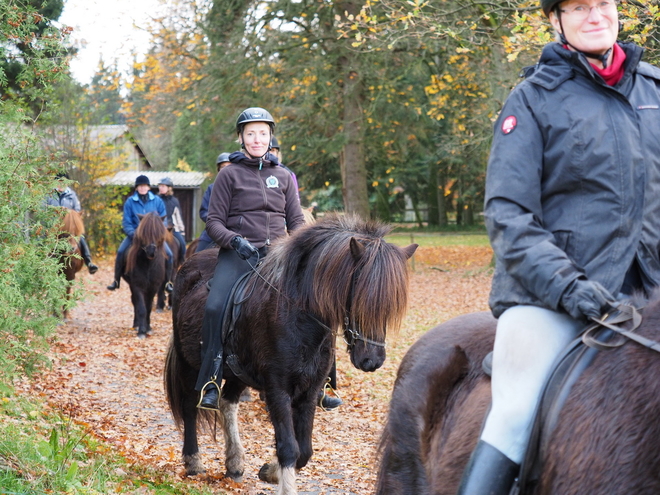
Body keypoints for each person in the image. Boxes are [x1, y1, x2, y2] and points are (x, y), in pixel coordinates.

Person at [457, 1, 660, 493]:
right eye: (579, 6)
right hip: (551, 297)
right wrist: (574, 290)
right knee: (515, 411)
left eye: (604, 4)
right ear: (556, 20)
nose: (596, 15)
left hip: (650, 292)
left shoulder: (655, 91)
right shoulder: (531, 100)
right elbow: (509, 216)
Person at [196, 107, 306, 410]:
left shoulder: (283, 176)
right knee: (216, 305)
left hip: (278, 256)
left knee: (316, 300)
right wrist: (234, 240)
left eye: (262, 133)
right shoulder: (229, 175)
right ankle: (211, 378)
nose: (257, 139)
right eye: (250, 133)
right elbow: (214, 221)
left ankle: (321, 381)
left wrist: (302, 247)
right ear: (241, 138)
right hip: (239, 254)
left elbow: (296, 220)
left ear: (270, 137)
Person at [106, 175, 174, 292]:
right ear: (136, 188)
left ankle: (168, 282)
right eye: (140, 186)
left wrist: (159, 234)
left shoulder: (157, 201)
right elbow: (126, 222)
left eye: (144, 186)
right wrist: (135, 235)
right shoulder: (130, 202)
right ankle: (116, 280)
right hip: (136, 237)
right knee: (121, 251)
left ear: (148, 187)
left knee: (170, 254)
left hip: (154, 238)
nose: (142, 188)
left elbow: (164, 220)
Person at [46, 172, 98, 274]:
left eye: (64, 182)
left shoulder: (72, 195)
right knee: (42, 238)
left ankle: (89, 261)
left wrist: (68, 214)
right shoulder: (49, 195)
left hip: (69, 227)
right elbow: (44, 209)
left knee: (81, 237)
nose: (62, 184)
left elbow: (77, 210)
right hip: (53, 226)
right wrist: (57, 211)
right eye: (60, 182)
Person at [197, 152, 231, 252]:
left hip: (234, 233)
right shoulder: (211, 188)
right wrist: (216, 223)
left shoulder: (241, 188)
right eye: (223, 166)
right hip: (212, 233)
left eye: (229, 166)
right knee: (196, 259)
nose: (225, 169)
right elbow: (204, 212)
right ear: (219, 169)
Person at [158, 177, 186, 263]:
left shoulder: (174, 201)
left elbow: (178, 217)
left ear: (169, 188)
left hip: (172, 229)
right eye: (160, 186)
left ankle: (181, 263)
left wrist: (182, 232)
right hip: (159, 228)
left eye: (163, 186)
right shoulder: (156, 199)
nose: (160, 188)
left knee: (183, 244)